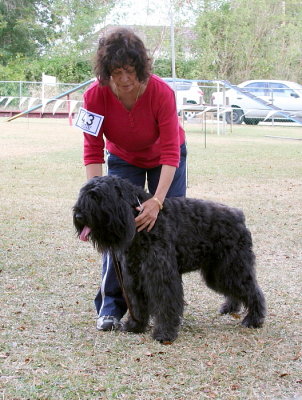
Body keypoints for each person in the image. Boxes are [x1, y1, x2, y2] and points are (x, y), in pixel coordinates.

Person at [82, 27, 187, 331]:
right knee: (114, 229)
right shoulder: (94, 96)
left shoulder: (161, 92)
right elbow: (92, 149)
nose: (125, 78)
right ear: (105, 72)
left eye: (130, 70)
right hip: (123, 158)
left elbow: (170, 152)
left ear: (140, 68)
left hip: (165, 161)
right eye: (116, 71)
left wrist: (157, 200)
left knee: (166, 231)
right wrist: (96, 194)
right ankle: (111, 306)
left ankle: (167, 307)